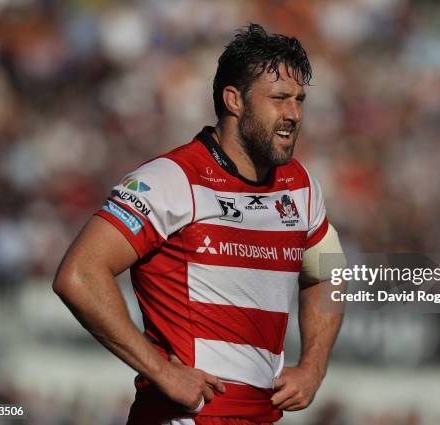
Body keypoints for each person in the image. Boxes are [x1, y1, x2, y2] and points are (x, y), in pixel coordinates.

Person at [53, 23, 345, 425]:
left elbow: (330, 273)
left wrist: (314, 366)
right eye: (278, 99)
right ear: (234, 100)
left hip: (260, 417)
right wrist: (161, 370)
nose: (293, 114)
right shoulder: (169, 179)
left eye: (299, 100)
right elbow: (79, 274)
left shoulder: (301, 186)